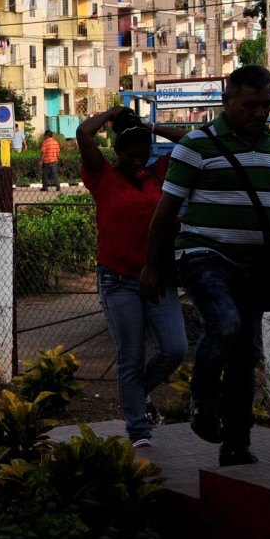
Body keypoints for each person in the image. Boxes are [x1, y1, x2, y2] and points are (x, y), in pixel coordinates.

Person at [141, 65, 270, 467]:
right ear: (227, 102)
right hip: (204, 256)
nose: (260, 112)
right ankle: (202, 397)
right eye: (250, 104)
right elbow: (166, 211)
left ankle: (236, 444)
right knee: (224, 325)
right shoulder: (196, 145)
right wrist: (153, 267)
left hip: (255, 265)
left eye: (266, 104)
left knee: (245, 356)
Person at [77, 106, 190, 448]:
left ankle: (136, 394)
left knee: (175, 349)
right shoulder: (102, 177)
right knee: (131, 355)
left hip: (159, 278)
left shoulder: (159, 175)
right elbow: (84, 133)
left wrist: (150, 125)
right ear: (118, 152)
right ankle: (138, 430)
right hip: (118, 279)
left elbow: (195, 142)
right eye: (132, 155)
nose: (140, 161)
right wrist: (112, 112)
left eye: (145, 154)